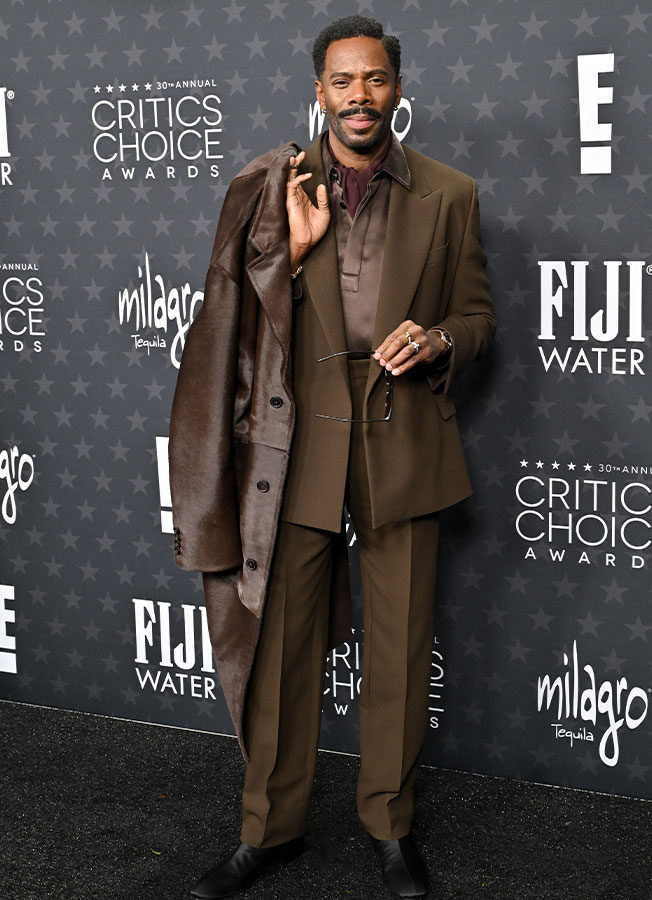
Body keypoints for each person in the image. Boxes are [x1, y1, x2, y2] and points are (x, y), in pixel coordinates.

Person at [168, 14, 496, 900]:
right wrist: (293, 251)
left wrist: (436, 340)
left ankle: (389, 827)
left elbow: (477, 319)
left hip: (404, 437)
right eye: (343, 81)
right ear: (319, 91)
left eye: (376, 79)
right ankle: (267, 832)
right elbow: (235, 311)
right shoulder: (273, 187)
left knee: (399, 644)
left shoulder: (451, 193)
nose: (360, 95)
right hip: (298, 435)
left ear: (397, 89)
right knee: (281, 646)